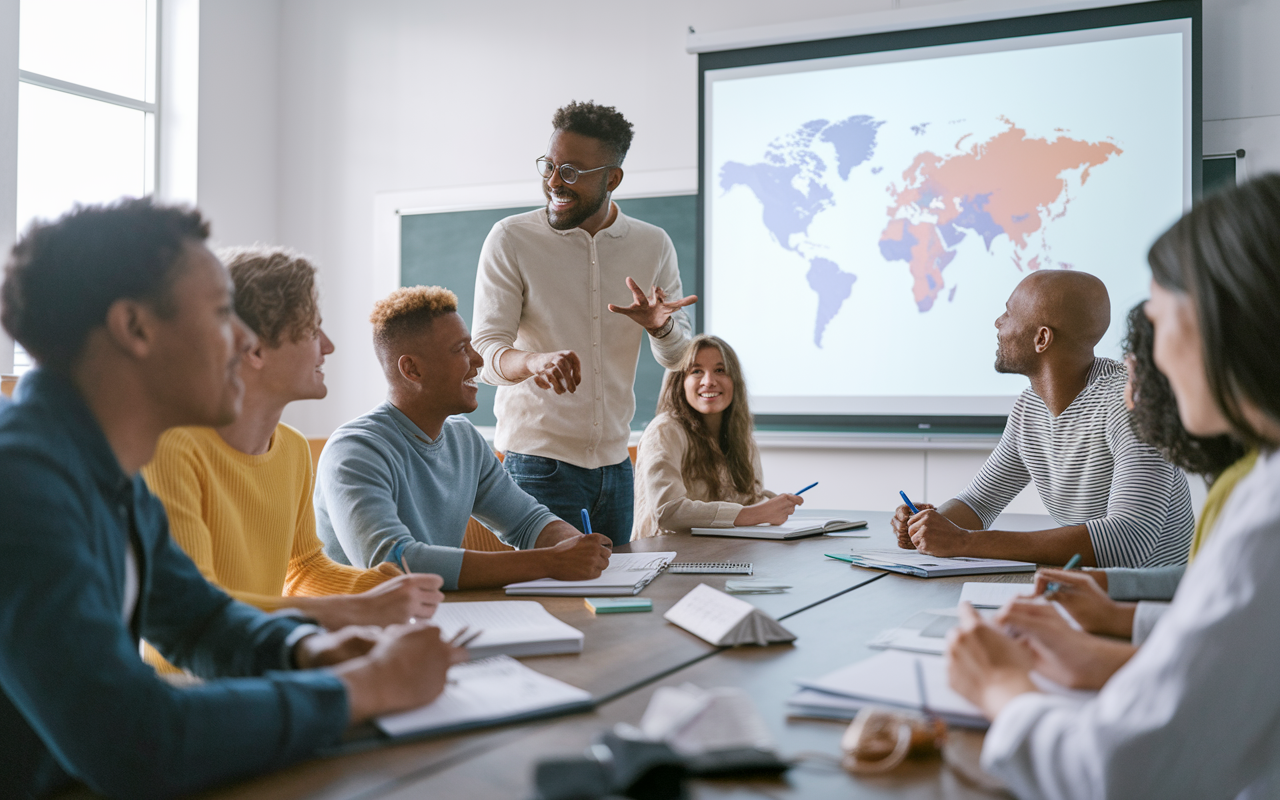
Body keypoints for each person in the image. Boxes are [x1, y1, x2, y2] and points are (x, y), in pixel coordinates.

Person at [0, 199, 461, 799]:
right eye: (222, 313)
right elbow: (136, 738)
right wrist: (366, 688)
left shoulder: (103, 465)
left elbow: (198, 620)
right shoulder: (21, 484)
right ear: (135, 327)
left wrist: (308, 650)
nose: (245, 338)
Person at [946, 174, 1280, 799]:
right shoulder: (1266, 478)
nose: (1145, 361)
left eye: (1159, 318)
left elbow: (1121, 774)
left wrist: (1001, 687)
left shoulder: (1270, 514)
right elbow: (1245, 648)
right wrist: (1120, 635)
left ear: (1222, 322)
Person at [140, 246, 444, 677]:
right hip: (186, 684)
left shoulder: (294, 448)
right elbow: (196, 606)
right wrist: (358, 609)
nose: (328, 346)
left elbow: (303, 568)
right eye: (312, 330)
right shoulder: (170, 448)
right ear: (255, 349)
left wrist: (381, 585)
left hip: (268, 666)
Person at [472, 100, 696, 546]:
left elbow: (677, 357)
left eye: (571, 171)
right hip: (537, 465)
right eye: (549, 166)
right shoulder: (511, 238)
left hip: (617, 467)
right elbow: (484, 356)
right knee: (545, 608)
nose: (554, 181)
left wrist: (660, 328)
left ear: (611, 179)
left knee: (614, 608)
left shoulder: (652, 244)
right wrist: (534, 362)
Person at [890, 269, 1195, 568]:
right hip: (1089, 593)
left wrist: (963, 542)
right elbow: (978, 503)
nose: (998, 323)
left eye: (1008, 314)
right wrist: (928, 526)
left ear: (1042, 339)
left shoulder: (1130, 403)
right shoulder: (1029, 408)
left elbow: (1127, 541)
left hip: (1153, 605)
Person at [315, 286, 612, 591]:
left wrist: (575, 545)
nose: (479, 359)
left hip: (432, 616)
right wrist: (551, 561)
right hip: (356, 630)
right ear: (412, 369)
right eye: (460, 349)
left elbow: (526, 523)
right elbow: (393, 564)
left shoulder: (463, 439)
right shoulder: (354, 451)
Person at [1026, 303, 1250, 646]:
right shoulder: (1231, 480)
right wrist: (1108, 587)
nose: (1126, 383)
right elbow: (1204, 582)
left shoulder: (1257, 491)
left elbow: (1226, 640)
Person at [632, 335, 802, 538]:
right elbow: (669, 512)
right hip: (668, 558)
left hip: (722, 552)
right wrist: (755, 514)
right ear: (680, 382)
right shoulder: (664, 430)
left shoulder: (740, 435)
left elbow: (750, 499)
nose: (709, 381)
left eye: (720, 370)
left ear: (735, 381)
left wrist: (776, 505)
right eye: (696, 371)